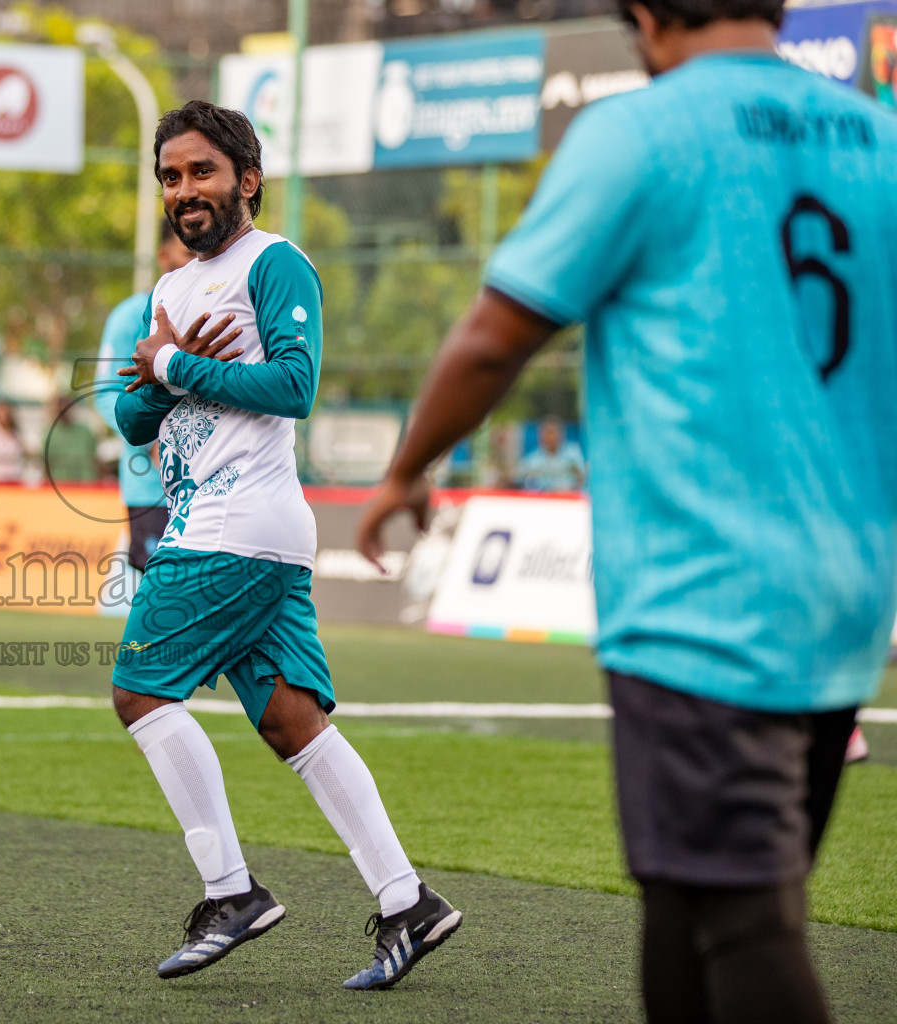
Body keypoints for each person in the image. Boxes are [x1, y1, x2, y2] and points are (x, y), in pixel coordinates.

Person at [354, 1, 897, 1019]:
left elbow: (492, 339)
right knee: (688, 905)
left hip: (706, 595)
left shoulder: (641, 131)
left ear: (645, 18)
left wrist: (405, 472)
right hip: (851, 598)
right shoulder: (880, 135)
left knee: (742, 917)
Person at [113, 100, 460, 989]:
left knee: (141, 694)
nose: (185, 191)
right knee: (292, 724)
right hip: (238, 529)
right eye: (171, 176)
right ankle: (405, 902)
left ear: (248, 180)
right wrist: (162, 370)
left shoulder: (275, 264)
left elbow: (294, 386)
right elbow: (129, 414)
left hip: (233, 527)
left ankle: (231, 892)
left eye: (202, 172)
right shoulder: (170, 291)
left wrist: (179, 366)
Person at [96, 222, 196, 570]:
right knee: (161, 598)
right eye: (186, 253)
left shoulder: (221, 312)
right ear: (163, 256)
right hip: (149, 488)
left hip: (211, 489)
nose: (195, 261)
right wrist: (153, 438)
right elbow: (106, 395)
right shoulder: (129, 316)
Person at [515, 415, 585, 491]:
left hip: (570, 497)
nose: (548, 437)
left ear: (561, 434)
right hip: (545, 499)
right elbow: (518, 475)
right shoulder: (535, 457)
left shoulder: (572, 452)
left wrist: (572, 489)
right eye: (545, 433)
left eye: (551, 433)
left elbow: (583, 475)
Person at [44, 397, 100, 484]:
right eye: (59, 407)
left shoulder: (85, 431)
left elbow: (95, 459)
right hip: (60, 483)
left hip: (86, 483)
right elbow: (45, 464)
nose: (63, 410)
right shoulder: (48, 433)